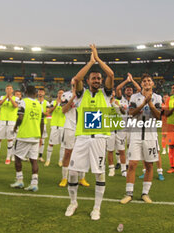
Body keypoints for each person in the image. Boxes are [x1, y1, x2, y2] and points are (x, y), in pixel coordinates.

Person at [65, 44, 114, 221]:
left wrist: (98, 59)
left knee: (99, 174)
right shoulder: (81, 95)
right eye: (93, 78)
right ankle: (73, 202)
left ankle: (96, 208)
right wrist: (90, 62)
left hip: (99, 139)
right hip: (82, 138)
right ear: (88, 81)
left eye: (98, 79)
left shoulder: (106, 95)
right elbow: (77, 78)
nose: (97, 81)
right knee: (72, 172)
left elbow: (111, 75)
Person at [120, 73, 162, 204]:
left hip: (150, 135)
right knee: (132, 164)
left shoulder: (158, 98)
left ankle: (145, 193)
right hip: (136, 135)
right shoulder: (134, 97)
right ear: (142, 84)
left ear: (152, 84)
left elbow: (159, 116)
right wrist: (143, 103)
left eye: (149, 80)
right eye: (144, 81)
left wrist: (150, 104)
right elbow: (131, 113)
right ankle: (129, 193)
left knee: (149, 165)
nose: (146, 82)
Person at [10, 86, 44, 191]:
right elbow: (42, 122)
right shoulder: (39, 105)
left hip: (24, 135)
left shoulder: (23, 102)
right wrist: (41, 136)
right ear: (35, 94)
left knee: (17, 157)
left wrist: (16, 126)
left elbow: (20, 117)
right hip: (35, 136)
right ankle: (34, 183)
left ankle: (20, 181)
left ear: (25, 92)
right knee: (34, 160)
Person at [58, 85, 90, 187]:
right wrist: (73, 98)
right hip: (70, 127)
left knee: (83, 153)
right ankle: (64, 178)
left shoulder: (87, 94)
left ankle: (82, 178)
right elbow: (63, 110)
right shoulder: (66, 95)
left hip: (83, 127)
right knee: (67, 152)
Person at [115, 72, 141, 169]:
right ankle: (119, 161)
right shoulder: (120, 99)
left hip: (132, 125)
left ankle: (126, 162)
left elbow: (139, 89)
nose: (129, 91)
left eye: (130, 90)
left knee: (130, 144)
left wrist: (132, 80)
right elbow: (117, 88)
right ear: (125, 91)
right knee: (120, 144)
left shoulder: (135, 99)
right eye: (127, 90)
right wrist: (126, 80)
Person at [0, 84, 19, 164]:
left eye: (10, 89)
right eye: (7, 88)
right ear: (5, 90)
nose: (9, 90)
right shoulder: (2, 97)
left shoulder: (16, 98)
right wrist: (6, 97)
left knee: (10, 140)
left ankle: (8, 158)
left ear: (12, 90)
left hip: (11, 122)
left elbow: (15, 106)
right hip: (2, 121)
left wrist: (10, 98)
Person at [106, 90, 127, 177]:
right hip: (109, 129)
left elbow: (123, 112)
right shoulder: (104, 102)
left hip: (119, 129)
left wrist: (118, 106)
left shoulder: (118, 102)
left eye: (113, 92)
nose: (112, 94)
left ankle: (123, 170)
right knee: (110, 150)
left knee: (121, 150)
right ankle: (111, 169)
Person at [45, 89, 65, 167]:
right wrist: (56, 105)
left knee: (63, 145)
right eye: (59, 93)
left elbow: (65, 111)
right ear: (57, 94)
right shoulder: (53, 102)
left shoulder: (66, 102)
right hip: (54, 125)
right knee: (51, 144)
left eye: (62, 93)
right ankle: (48, 160)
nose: (60, 94)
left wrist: (62, 104)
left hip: (63, 125)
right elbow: (49, 111)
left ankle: (60, 161)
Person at [37, 88, 49, 162]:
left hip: (43, 123)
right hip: (34, 122)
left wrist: (38, 112)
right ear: (37, 93)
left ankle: (40, 156)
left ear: (44, 93)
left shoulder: (46, 103)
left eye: (42, 92)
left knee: (43, 140)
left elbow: (47, 113)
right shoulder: (34, 101)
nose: (40, 93)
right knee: (33, 139)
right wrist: (42, 113)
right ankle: (31, 155)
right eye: (39, 92)